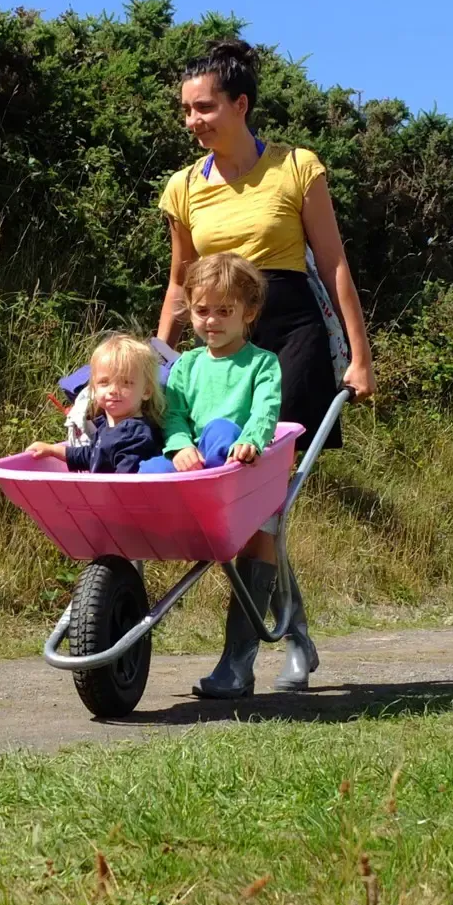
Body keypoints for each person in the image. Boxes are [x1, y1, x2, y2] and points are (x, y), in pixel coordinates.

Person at [157, 37, 377, 696]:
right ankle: (298, 638)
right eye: (187, 111)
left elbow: (333, 262)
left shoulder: (296, 168)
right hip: (217, 350)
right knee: (250, 509)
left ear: (240, 104)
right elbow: (178, 281)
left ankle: (236, 663)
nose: (194, 121)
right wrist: (159, 357)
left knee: (261, 505)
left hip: (290, 343)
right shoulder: (184, 188)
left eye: (206, 108)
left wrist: (360, 356)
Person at [139, 252, 281, 478]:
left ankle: (211, 492)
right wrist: (180, 446)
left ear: (249, 312)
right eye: (202, 310)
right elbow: (173, 414)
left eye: (224, 311)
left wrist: (250, 440)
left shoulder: (262, 363)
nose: (212, 320)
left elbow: (265, 412)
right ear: (190, 309)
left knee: (220, 429)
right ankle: (177, 507)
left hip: (236, 459)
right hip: (196, 456)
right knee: (148, 468)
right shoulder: (186, 363)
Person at [23, 333, 166, 474]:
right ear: (94, 388)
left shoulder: (136, 435)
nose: (113, 390)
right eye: (104, 382)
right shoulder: (109, 426)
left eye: (126, 383)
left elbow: (125, 484)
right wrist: (52, 450)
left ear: (146, 391)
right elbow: (90, 454)